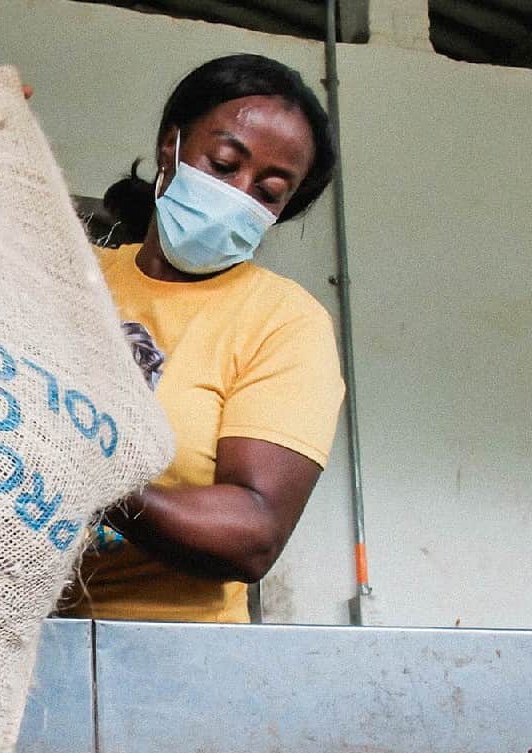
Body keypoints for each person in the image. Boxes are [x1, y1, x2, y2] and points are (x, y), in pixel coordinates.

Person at [58, 54, 346, 624]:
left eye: (268, 191)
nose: (238, 194)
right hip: (1, 637)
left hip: (169, 657)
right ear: (172, 146)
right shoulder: (69, 275)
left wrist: (85, 476)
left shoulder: (282, 321)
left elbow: (253, 532)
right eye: (222, 164)